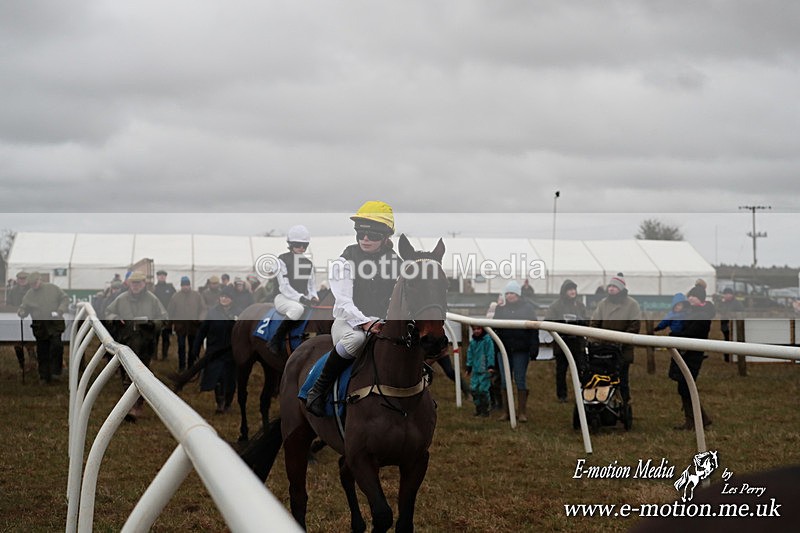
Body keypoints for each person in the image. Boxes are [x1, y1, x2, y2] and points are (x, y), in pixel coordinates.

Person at [305, 200, 401, 417]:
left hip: (383, 323)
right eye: (360, 234)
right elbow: (344, 301)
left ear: (386, 237)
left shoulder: (397, 261)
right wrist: (367, 323)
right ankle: (318, 389)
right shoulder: (344, 261)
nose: (365, 239)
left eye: (373, 235)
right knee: (357, 341)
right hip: (350, 323)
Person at [104, 271, 168, 420]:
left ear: (144, 284)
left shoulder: (152, 300)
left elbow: (164, 318)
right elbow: (108, 312)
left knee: (142, 374)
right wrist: (115, 318)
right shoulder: (121, 299)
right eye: (133, 283)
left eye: (139, 283)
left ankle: (138, 404)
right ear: (129, 284)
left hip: (146, 344)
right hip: (126, 343)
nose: (136, 286)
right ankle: (129, 407)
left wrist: (153, 324)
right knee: (126, 375)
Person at [669, 282, 716, 430]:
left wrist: (674, 335)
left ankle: (696, 419)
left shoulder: (702, 315)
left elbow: (692, 333)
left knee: (687, 387)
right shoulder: (691, 312)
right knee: (684, 387)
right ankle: (698, 419)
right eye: (690, 296)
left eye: (694, 296)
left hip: (693, 355)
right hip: (686, 353)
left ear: (701, 299)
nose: (690, 299)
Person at [589, 273, 641, 404]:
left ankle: (624, 402)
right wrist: (594, 340)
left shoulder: (632, 305)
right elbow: (595, 322)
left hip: (622, 350)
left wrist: (620, 340)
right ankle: (600, 401)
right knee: (600, 377)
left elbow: (634, 326)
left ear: (621, 289)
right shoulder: (603, 304)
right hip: (602, 349)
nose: (611, 289)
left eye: (615, 287)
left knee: (622, 379)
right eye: (610, 286)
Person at [493, 280, 539, 422]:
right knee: (505, 381)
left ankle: (522, 412)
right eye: (507, 293)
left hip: (521, 350)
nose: (509, 296)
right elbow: (495, 328)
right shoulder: (501, 309)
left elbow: (534, 329)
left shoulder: (528, 309)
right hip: (504, 350)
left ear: (518, 294)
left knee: (520, 379)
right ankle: (507, 412)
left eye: (512, 293)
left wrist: (533, 349)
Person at [269, 225, 319, 355]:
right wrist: (302, 298)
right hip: (283, 298)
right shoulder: (282, 260)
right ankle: (275, 339)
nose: (301, 248)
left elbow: (311, 285)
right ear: (290, 245)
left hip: (302, 299)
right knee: (297, 309)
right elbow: (284, 287)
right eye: (298, 245)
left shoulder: (308, 263)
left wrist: (313, 297)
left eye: (304, 245)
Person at [16, 272, 70, 383]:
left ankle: (56, 373)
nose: (34, 286)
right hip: (40, 327)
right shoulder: (29, 294)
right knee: (42, 352)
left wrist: (60, 310)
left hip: (54, 324)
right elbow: (24, 307)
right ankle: (44, 376)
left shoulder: (53, 288)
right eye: (31, 284)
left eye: (35, 283)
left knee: (57, 347)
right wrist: (21, 312)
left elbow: (64, 299)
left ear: (40, 280)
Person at [192, 285, 238, 413]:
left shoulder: (237, 313)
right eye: (222, 296)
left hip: (231, 353)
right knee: (217, 378)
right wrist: (196, 347)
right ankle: (220, 403)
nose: (224, 299)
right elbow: (202, 331)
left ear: (232, 299)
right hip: (214, 351)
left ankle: (228, 403)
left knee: (230, 379)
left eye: (227, 297)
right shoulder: (212, 312)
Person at [545, 279, 588, 403]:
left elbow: (586, 322)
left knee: (581, 368)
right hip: (562, 343)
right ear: (564, 291)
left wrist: (580, 322)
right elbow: (548, 321)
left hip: (577, 343)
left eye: (574, 289)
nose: (572, 292)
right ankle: (562, 396)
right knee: (561, 371)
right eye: (570, 289)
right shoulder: (555, 306)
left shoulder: (580, 306)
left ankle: (583, 393)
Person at [167, 276, 206, 371]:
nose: (185, 287)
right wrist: (169, 324)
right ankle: (182, 366)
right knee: (181, 346)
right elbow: (170, 311)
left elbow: (203, 309)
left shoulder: (197, 295)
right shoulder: (175, 297)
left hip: (194, 326)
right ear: (181, 286)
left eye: (187, 285)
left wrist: (200, 319)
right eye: (183, 285)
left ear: (190, 285)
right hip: (180, 326)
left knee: (192, 346)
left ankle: (191, 366)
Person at [466, 325, 496, 417]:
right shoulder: (473, 342)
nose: (476, 331)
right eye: (474, 329)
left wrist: (490, 366)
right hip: (475, 370)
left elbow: (490, 353)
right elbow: (470, 355)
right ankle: (478, 408)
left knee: (483, 390)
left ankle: (485, 409)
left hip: (485, 370)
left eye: (478, 329)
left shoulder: (487, 341)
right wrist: (469, 367)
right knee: (474, 389)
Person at [152, 270, 176, 360]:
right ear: (157, 277)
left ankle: (164, 356)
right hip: (156, 317)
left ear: (166, 277)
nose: (162, 277)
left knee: (166, 337)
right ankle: (154, 356)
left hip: (167, 316)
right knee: (155, 337)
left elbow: (174, 300)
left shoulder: (170, 288)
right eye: (160, 276)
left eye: (163, 276)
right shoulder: (154, 288)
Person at [717, 287, 744, 362]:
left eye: (728, 294)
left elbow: (741, 312)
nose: (727, 296)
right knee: (726, 340)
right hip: (725, 325)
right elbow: (719, 310)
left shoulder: (737, 303)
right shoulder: (723, 303)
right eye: (725, 294)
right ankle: (727, 358)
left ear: (732, 295)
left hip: (734, 325)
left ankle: (733, 357)